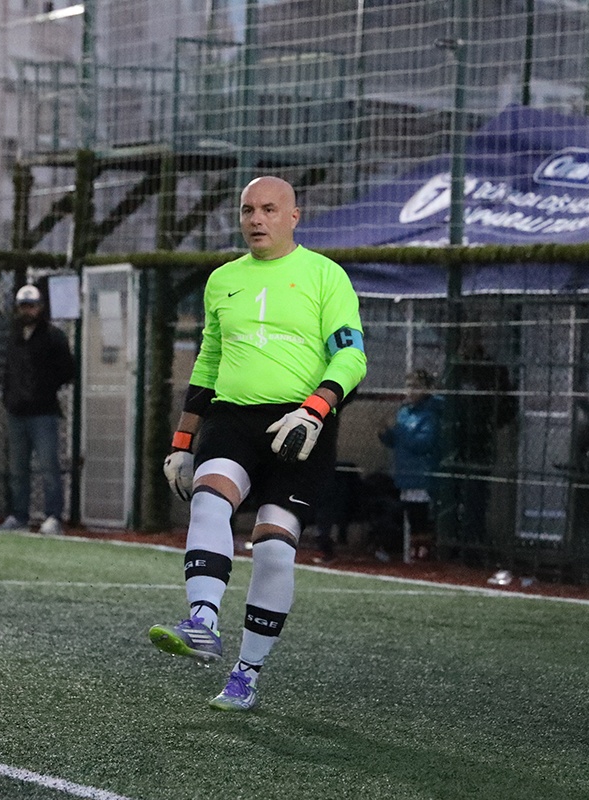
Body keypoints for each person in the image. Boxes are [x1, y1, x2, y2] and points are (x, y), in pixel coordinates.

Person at [151, 176, 367, 712]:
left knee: (272, 548)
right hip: (231, 418)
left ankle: (246, 674)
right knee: (209, 499)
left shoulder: (326, 275)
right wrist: (183, 440)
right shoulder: (222, 280)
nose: (256, 219)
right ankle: (202, 621)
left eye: (269, 209)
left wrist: (314, 410)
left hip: (300, 424)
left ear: (294, 216)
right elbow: (208, 362)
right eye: (248, 209)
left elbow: (352, 357)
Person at [0, 284, 76, 536]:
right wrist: (9, 398)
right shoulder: (14, 337)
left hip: (43, 412)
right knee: (17, 469)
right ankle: (19, 515)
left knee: (48, 466)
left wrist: (45, 387)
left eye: (31, 306)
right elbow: (8, 371)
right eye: (24, 306)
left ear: (40, 307)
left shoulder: (53, 336)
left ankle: (53, 515)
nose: (27, 311)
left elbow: (67, 370)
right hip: (17, 412)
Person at [451, 328, 517, 565]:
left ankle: (472, 546)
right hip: (454, 443)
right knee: (452, 494)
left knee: (475, 497)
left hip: (480, 443)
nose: (467, 344)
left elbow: (508, 406)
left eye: (472, 338)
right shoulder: (455, 368)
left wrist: (487, 423)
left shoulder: (492, 371)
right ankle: (453, 544)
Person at [378, 369, 444, 562]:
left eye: (416, 386)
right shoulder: (404, 412)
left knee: (420, 517)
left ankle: (423, 555)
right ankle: (410, 552)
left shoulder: (430, 414)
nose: (410, 391)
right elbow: (396, 442)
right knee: (408, 516)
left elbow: (423, 443)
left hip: (421, 475)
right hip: (404, 475)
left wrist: (399, 430)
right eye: (408, 386)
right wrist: (385, 432)